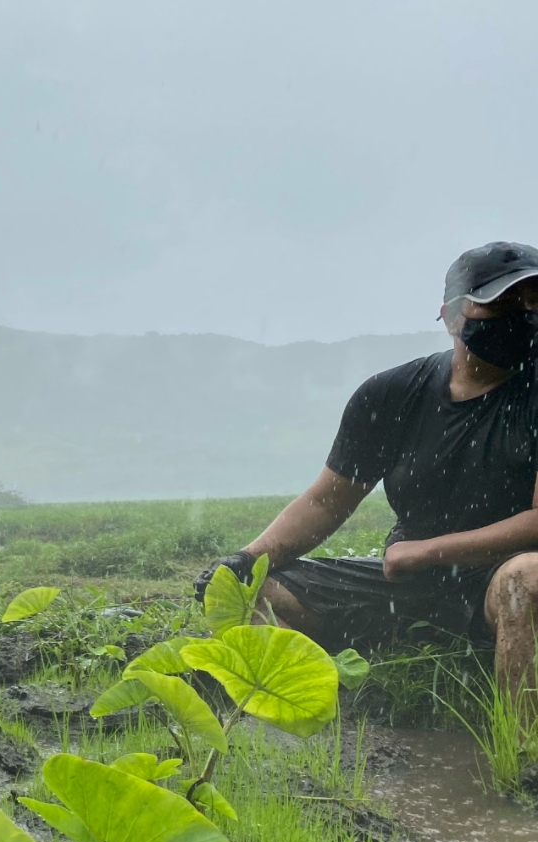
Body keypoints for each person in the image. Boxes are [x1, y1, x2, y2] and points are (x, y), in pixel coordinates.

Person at [196, 241, 538, 702]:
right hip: (404, 584)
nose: (523, 314)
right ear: (454, 316)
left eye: (534, 302)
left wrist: (422, 553)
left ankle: (523, 761)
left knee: (529, 581)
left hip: (498, 575)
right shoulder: (392, 395)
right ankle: (329, 716)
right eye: (503, 303)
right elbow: (326, 501)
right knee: (258, 593)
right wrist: (245, 559)